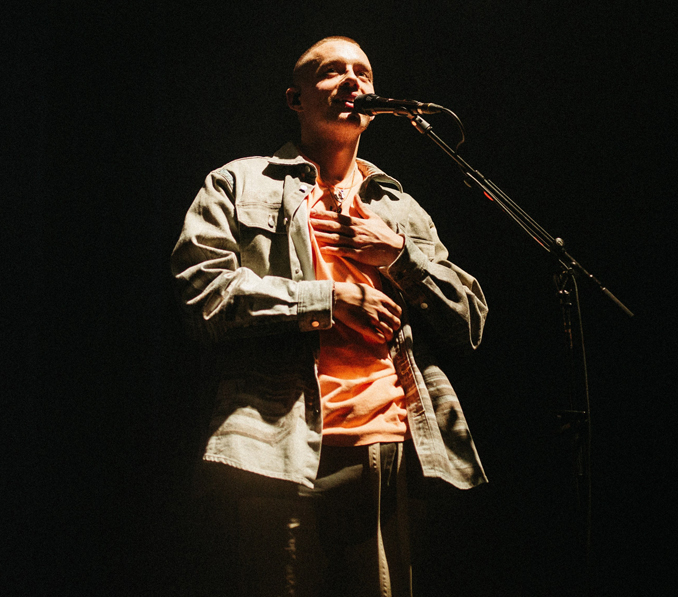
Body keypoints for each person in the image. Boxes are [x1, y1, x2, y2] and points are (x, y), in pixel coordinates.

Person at [171, 36, 488, 597]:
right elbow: (205, 294)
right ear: (295, 99)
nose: (352, 82)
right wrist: (331, 301)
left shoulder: (398, 207)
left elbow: (469, 321)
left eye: (362, 72)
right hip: (274, 446)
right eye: (331, 71)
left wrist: (397, 254)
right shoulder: (237, 182)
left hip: (389, 443)